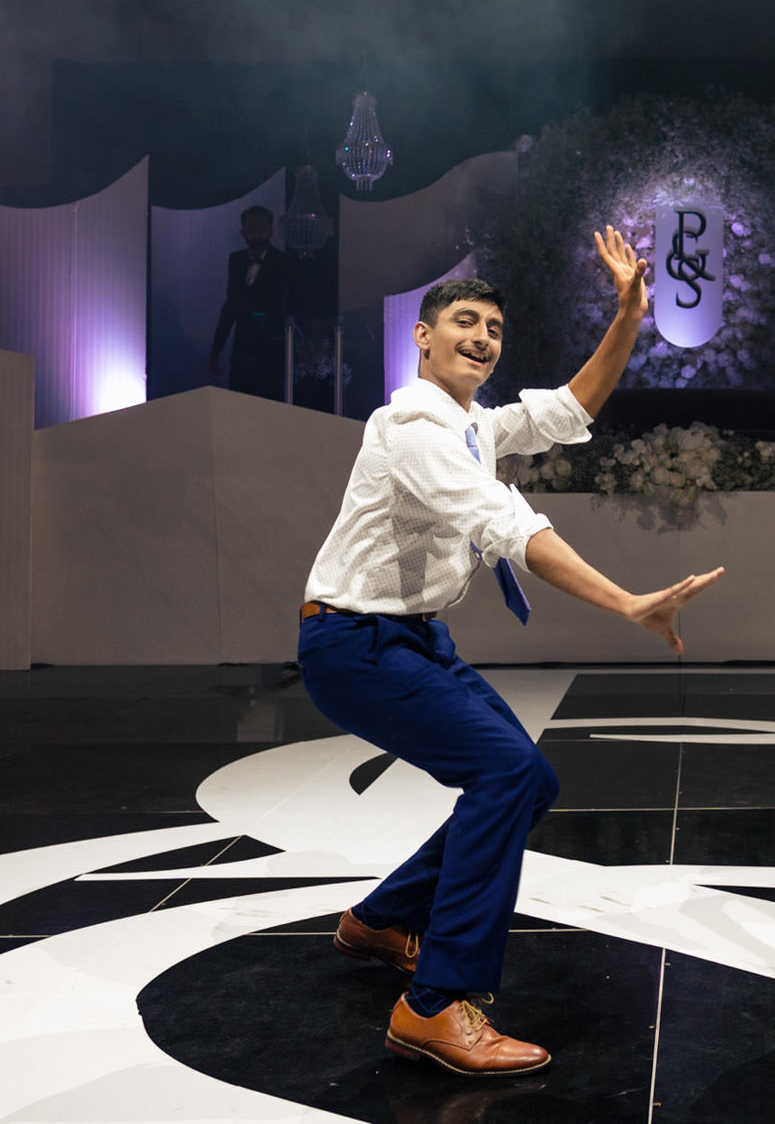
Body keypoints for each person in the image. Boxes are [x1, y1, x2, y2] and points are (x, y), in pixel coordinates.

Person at [297, 227, 723, 1077]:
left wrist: (629, 316)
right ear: (423, 336)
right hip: (354, 642)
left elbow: (571, 407)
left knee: (529, 781)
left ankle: (383, 920)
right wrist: (629, 602)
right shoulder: (413, 424)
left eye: (493, 325)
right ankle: (435, 1005)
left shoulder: (472, 427)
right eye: (464, 320)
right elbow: (511, 526)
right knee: (503, 774)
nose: (482, 336)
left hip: (408, 639)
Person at [208, 205, 292, 400]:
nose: (256, 235)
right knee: (239, 400)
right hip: (242, 346)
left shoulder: (283, 262)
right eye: (251, 230)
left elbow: (284, 304)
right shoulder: (235, 260)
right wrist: (216, 348)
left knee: (270, 401)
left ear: (271, 232)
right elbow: (230, 306)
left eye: (261, 229)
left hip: (272, 345)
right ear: (243, 233)